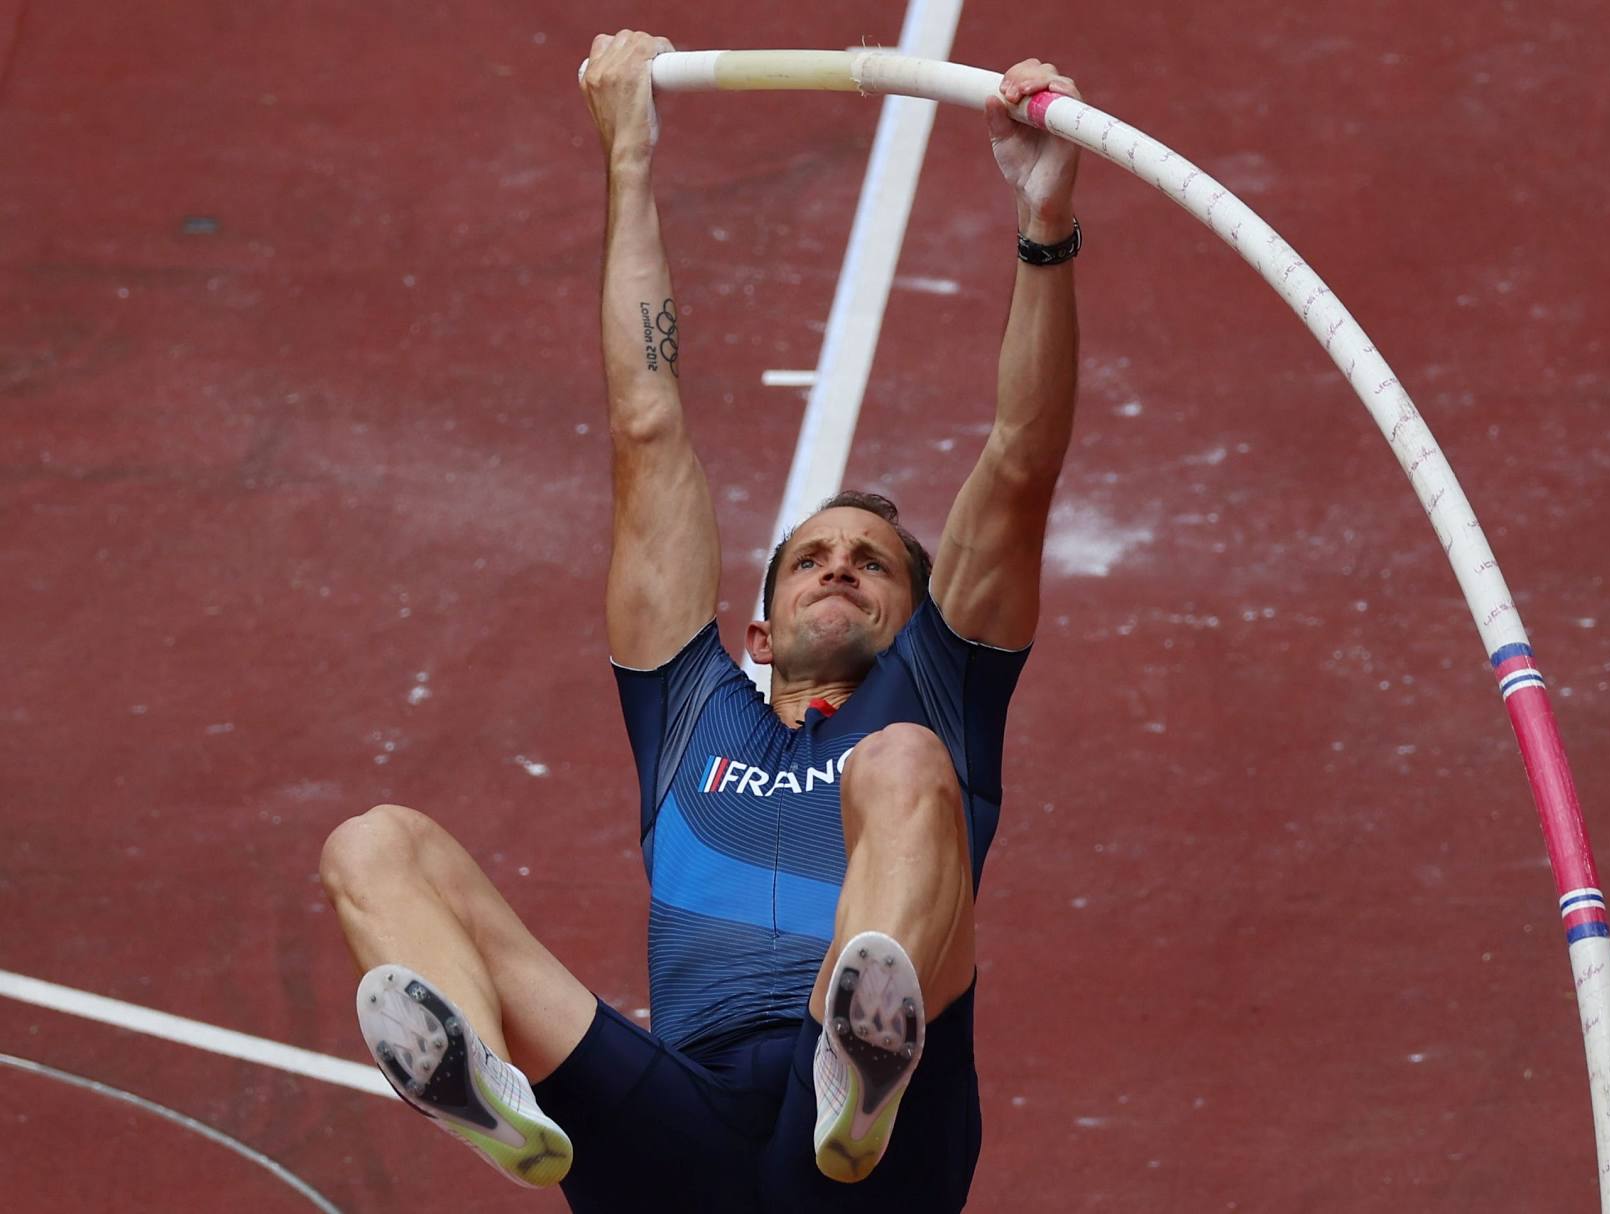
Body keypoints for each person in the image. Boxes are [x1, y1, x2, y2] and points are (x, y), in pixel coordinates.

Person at [318, 30, 1084, 1212]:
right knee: (376, 842)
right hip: (675, 1128)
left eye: (873, 564)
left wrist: (1044, 219)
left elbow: (1022, 459)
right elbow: (646, 423)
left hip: (870, 1148)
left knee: (903, 763)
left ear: (919, 617)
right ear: (759, 629)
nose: (839, 567)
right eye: (813, 557)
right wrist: (627, 155)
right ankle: (485, 1079)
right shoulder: (686, 707)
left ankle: (860, 1056)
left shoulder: (934, 696)